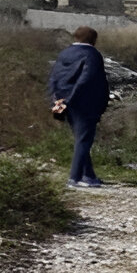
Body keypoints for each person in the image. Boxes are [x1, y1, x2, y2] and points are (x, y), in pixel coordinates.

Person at [46, 26, 110, 188]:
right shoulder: (93, 54)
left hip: (63, 102)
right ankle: (74, 178)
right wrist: (72, 99)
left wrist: (57, 100)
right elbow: (87, 80)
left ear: (76, 37)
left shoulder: (64, 53)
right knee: (84, 140)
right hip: (85, 103)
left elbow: (54, 78)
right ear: (93, 39)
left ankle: (89, 176)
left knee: (81, 139)